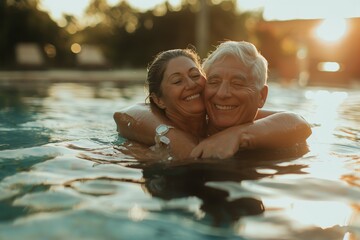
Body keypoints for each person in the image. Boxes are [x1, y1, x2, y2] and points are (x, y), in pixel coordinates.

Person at [114, 41, 312, 160]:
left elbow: (299, 123)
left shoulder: (254, 125)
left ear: (261, 97)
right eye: (214, 81)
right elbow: (126, 114)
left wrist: (239, 135)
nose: (223, 93)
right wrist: (169, 137)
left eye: (237, 83)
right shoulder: (162, 143)